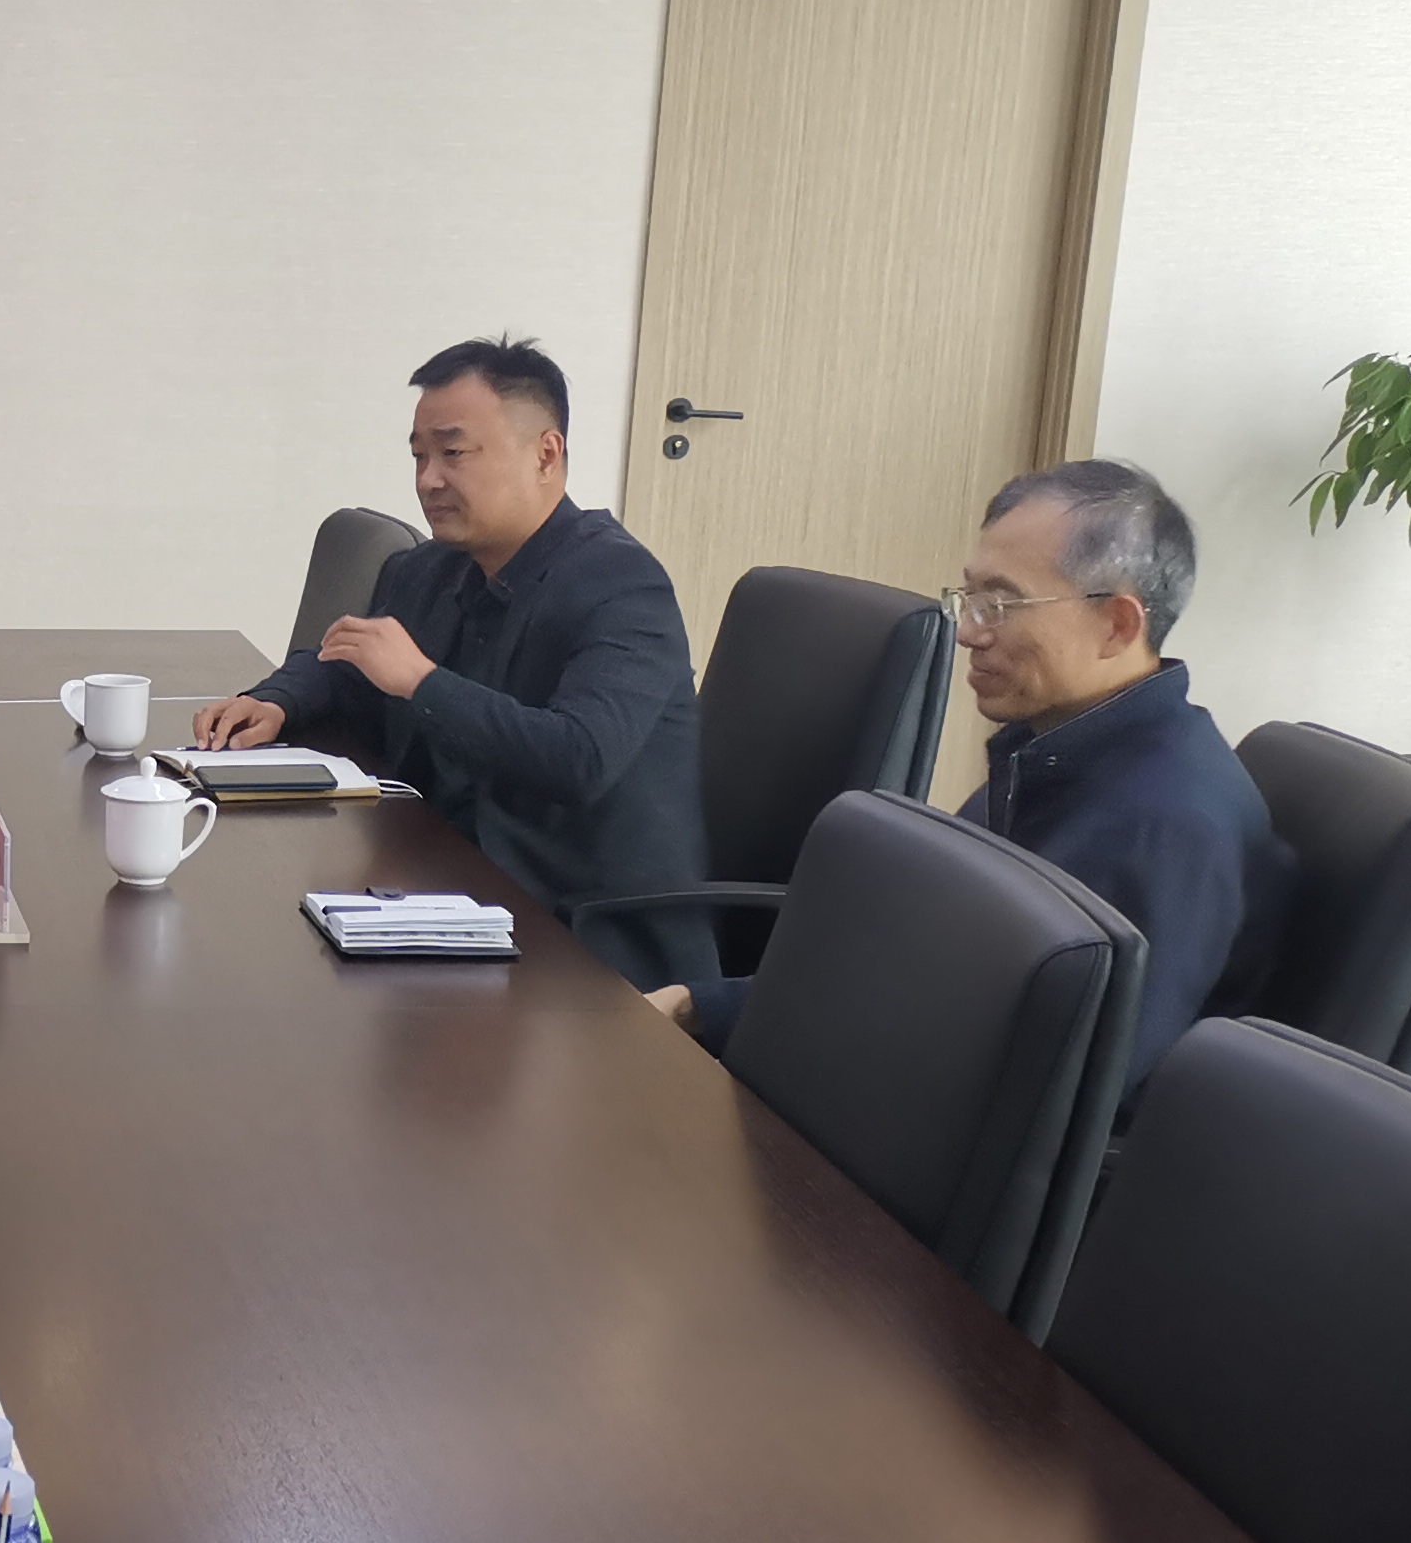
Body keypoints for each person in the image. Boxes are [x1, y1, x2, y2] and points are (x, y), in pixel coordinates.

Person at [650, 458, 1285, 1092]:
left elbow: (1068, 1087)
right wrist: (701, 1007)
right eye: (971, 599)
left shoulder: (1166, 825)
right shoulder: (1051, 750)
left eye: (1002, 604)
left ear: (1117, 624)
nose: (969, 633)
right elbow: (920, 961)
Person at [192, 339, 712, 986]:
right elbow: (349, 665)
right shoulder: (431, 569)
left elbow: (580, 758)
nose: (428, 480)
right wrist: (276, 700)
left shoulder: (623, 585)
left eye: (453, 453)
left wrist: (421, 681)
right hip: (449, 885)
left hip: (580, 938)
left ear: (546, 454)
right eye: (419, 456)